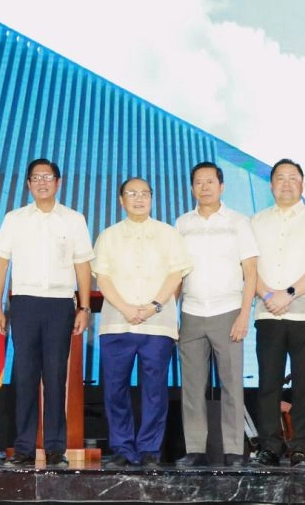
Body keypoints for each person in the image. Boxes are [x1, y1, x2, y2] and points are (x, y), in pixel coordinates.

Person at [0, 158, 95, 468]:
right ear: (28, 184)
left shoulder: (74, 219)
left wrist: (84, 307)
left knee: (55, 376)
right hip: (24, 303)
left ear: (58, 183)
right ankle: (22, 447)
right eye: (36, 177)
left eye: (48, 177)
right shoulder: (14, 218)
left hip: (60, 304)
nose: (42, 182)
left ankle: (55, 448)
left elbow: (82, 264)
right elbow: (1, 264)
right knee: (24, 375)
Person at [94, 177, 193, 467]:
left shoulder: (169, 234)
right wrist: (125, 308)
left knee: (155, 390)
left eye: (144, 194)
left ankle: (150, 450)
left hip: (157, 325)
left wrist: (154, 306)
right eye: (131, 194)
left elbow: (177, 274)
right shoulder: (108, 236)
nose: (139, 199)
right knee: (115, 389)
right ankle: (123, 449)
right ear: (121, 200)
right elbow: (103, 277)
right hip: (116, 324)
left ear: (152, 198)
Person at [250, 159, 305, 466]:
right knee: (268, 383)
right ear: (271, 184)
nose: (286, 183)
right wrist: (267, 295)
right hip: (268, 313)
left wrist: (288, 294)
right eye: (280, 178)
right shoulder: (256, 221)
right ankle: (270, 446)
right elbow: (247, 267)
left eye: (293, 178)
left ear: (302, 183)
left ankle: (300, 444)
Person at [174, 162, 258, 467]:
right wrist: (173, 315)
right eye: (198, 182)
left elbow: (251, 273)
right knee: (192, 386)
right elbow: (176, 273)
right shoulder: (182, 223)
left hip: (228, 312)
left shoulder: (238, 222)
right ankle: (195, 448)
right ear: (192, 188)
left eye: (210, 182)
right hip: (192, 312)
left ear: (222, 186)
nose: (204, 187)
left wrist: (243, 315)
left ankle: (235, 450)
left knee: (232, 385)